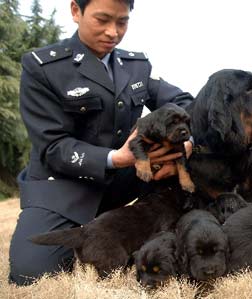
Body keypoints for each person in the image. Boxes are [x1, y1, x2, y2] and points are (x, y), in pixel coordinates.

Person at [9, 0, 193, 285]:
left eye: (122, 22)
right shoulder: (43, 67)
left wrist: (186, 140)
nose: (113, 32)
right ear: (75, 11)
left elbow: (183, 103)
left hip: (122, 183)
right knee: (31, 274)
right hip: (62, 187)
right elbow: (53, 146)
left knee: (181, 170)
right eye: (102, 19)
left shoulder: (135, 66)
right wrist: (116, 158)